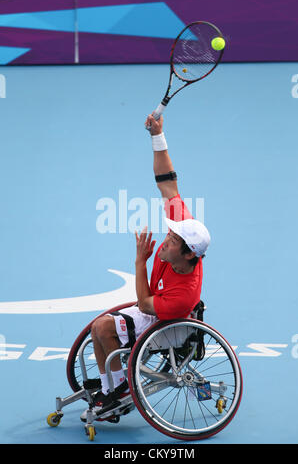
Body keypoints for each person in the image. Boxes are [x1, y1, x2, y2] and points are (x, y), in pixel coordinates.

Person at [81, 113, 210, 420]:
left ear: (188, 254)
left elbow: (144, 304)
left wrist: (140, 262)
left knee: (102, 327)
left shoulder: (184, 293)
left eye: (173, 239)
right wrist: (157, 135)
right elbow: (168, 183)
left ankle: (120, 388)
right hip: (155, 309)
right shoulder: (184, 230)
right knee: (99, 325)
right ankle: (109, 385)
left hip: (169, 326)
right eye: (169, 233)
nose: (166, 239)